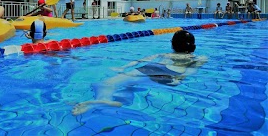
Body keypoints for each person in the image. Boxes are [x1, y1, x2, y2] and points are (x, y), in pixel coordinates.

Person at [72, 30, 207, 116]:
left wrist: (123, 68)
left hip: (151, 68)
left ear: (172, 45)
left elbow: (141, 60)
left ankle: (103, 99)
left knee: (105, 83)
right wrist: (181, 78)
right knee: (130, 88)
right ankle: (104, 102)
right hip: (171, 74)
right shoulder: (200, 58)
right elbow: (192, 69)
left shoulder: (163, 54)